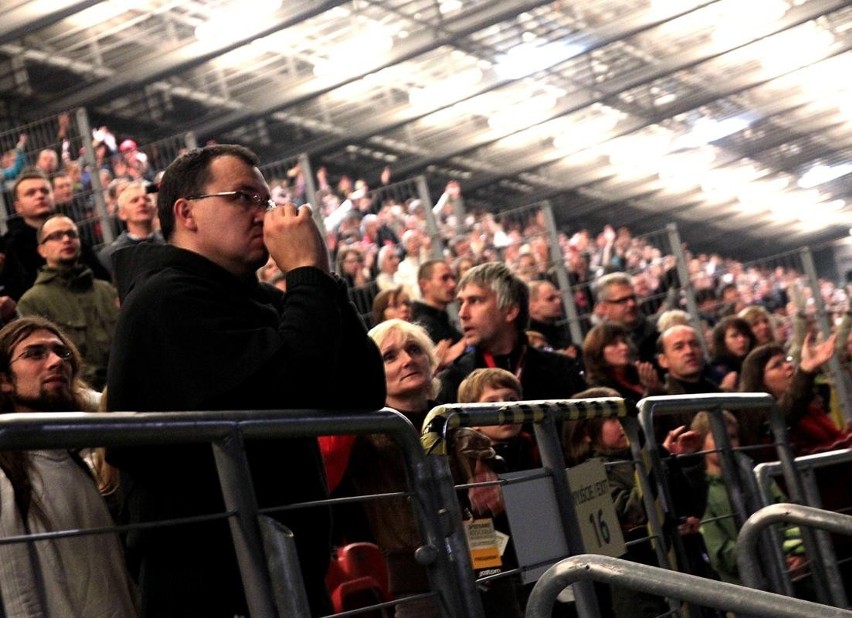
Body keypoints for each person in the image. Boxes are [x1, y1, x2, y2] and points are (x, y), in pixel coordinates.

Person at [106, 144, 386, 617]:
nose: (266, 213)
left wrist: (319, 276)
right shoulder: (166, 299)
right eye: (244, 197)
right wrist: (302, 275)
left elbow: (361, 389)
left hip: (284, 569)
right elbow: (294, 383)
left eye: (267, 199)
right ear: (186, 212)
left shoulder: (259, 299)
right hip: (212, 582)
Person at [0, 316, 136, 617]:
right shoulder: (7, 474)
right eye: (35, 354)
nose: (55, 361)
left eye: (61, 353)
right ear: (4, 380)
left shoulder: (75, 456)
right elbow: (15, 587)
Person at [339, 319, 443, 617]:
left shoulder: (454, 419)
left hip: (485, 565)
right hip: (410, 581)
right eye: (390, 357)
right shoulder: (363, 438)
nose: (408, 360)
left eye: (414, 349)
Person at [437, 262, 586, 403]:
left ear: (510, 310)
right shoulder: (454, 380)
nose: (462, 313)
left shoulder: (561, 371)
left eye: (475, 301)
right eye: (461, 303)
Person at [17, 215, 119, 390]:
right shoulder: (32, 301)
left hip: (124, 384)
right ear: (42, 250)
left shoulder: (106, 290)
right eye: (56, 236)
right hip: (78, 391)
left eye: (72, 234)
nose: (66, 240)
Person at [2, 169, 109, 301]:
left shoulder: (71, 234)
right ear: (18, 207)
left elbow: (99, 276)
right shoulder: (11, 246)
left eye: (45, 191)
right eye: (31, 193)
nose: (40, 196)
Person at [582, 322, 664, 404]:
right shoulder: (600, 388)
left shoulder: (637, 373)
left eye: (623, 341)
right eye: (614, 344)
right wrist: (651, 393)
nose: (624, 347)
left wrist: (658, 388)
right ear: (598, 351)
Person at [98, 180, 164, 278]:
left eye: (147, 199)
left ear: (155, 209)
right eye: (135, 200)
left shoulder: (170, 243)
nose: (142, 203)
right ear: (122, 214)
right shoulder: (110, 255)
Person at [594, 272, 659, 365]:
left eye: (633, 298)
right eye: (622, 301)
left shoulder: (655, 335)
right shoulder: (598, 344)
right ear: (604, 307)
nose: (631, 304)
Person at [527, 280, 576, 354]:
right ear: (532, 306)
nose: (558, 301)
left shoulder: (556, 329)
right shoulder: (529, 336)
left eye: (558, 297)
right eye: (550, 299)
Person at [709, 316, 757, 390]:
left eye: (745, 335)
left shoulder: (754, 363)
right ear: (722, 341)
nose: (742, 340)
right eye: (734, 336)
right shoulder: (719, 370)